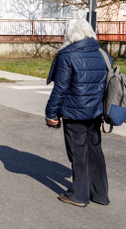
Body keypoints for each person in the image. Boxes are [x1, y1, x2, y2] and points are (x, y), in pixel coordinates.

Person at [45, 18, 110, 207]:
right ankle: (100, 194)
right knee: (95, 152)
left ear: (70, 34)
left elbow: (60, 89)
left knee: (78, 152)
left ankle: (79, 195)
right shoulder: (101, 53)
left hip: (74, 113)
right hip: (96, 112)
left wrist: (51, 113)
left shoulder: (67, 55)